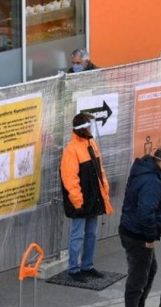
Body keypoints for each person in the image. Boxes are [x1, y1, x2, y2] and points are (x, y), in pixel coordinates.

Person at [118, 147, 161, 307]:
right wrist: (150, 238)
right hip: (138, 235)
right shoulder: (152, 181)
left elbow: (151, 207)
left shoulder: (149, 172)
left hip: (133, 230)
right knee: (138, 278)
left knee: (149, 271)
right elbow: (145, 212)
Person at [60, 113, 113, 282]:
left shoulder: (91, 143)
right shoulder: (71, 150)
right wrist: (78, 202)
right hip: (81, 201)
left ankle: (87, 266)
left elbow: (100, 170)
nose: (91, 129)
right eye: (89, 126)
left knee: (91, 234)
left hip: (93, 199)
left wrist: (104, 190)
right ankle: (74, 269)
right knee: (78, 235)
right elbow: (70, 180)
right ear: (83, 129)